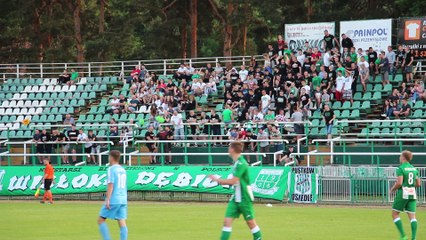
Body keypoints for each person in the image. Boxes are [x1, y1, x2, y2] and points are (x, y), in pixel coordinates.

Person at [208, 142, 262, 240]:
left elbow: (234, 181)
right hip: (235, 198)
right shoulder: (236, 162)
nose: (228, 150)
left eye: (229, 148)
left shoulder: (242, 163)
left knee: (250, 222)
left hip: (245, 197)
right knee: (227, 221)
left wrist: (218, 180)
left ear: (232, 149)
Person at [98, 150, 128, 240]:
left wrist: (108, 199)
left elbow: (111, 184)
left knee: (100, 220)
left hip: (114, 199)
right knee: (121, 221)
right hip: (123, 199)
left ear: (111, 157)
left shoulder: (111, 169)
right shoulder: (123, 169)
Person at [390, 150, 420, 240]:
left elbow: (399, 183)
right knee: (412, 216)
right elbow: (418, 184)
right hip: (412, 192)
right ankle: (413, 238)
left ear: (403, 157)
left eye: (400, 156)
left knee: (395, 214)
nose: (399, 157)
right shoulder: (414, 169)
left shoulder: (401, 168)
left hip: (403, 192)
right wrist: (410, 186)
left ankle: (403, 236)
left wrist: (392, 189)